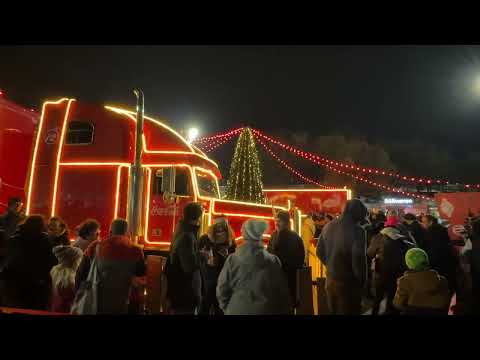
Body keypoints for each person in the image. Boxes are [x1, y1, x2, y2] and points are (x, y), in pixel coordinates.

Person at [216, 219, 290, 315]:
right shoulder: (273, 261)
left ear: (244, 234)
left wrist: (227, 308)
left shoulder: (232, 259)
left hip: (237, 309)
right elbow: (281, 293)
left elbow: (222, 289)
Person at [75, 218, 146, 314]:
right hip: (125, 304)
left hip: (97, 303)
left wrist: (78, 295)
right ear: (128, 233)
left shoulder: (95, 247)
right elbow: (141, 275)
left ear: (110, 232)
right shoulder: (136, 251)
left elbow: (80, 274)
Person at [316, 199, 368, 315]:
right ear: (358, 215)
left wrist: (331, 265)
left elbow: (319, 252)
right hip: (348, 285)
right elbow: (358, 260)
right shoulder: (358, 231)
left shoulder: (328, 226)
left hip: (330, 282)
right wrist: (362, 284)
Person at [0, 215, 56, 310]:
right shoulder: (44, 241)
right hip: (35, 283)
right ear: (41, 226)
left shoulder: (14, 239)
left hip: (13, 281)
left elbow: (6, 258)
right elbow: (51, 261)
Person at [367, 219, 416, 315]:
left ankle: (375, 312)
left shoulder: (378, 237)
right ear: (396, 227)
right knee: (392, 298)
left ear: (386, 226)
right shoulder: (402, 239)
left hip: (380, 273)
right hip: (397, 274)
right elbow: (410, 252)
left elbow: (369, 253)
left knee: (378, 298)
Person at [166, 202, 204, 315]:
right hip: (184, 291)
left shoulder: (180, 231)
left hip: (178, 289)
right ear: (198, 217)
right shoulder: (188, 236)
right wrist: (202, 256)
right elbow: (188, 266)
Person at [393, 248, 451, 315]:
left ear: (408, 263)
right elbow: (446, 301)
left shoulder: (404, 281)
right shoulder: (442, 280)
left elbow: (398, 304)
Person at [268, 210, 305, 311]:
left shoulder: (294, 238)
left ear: (287, 222)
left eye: (279, 221)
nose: (277, 223)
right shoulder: (274, 236)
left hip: (288, 280)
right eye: (276, 220)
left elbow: (299, 261)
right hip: (278, 281)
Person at [198, 217, 236, 315]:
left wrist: (226, 256)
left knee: (220, 305)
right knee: (206, 303)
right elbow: (197, 254)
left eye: (222, 227)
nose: (220, 229)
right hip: (208, 275)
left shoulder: (230, 240)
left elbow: (233, 258)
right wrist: (204, 255)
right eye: (218, 226)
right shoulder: (205, 238)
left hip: (223, 276)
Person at [421, 215, 457, 294]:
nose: (422, 224)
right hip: (446, 260)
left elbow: (429, 248)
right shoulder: (443, 229)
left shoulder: (430, 232)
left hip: (435, 262)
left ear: (430, 222)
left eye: (424, 222)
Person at [50, 245, 83, 313]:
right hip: (67, 310)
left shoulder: (56, 271)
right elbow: (74, 298)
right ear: (74, 261)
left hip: (56, 307)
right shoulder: (68, 279)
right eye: (80, 259)